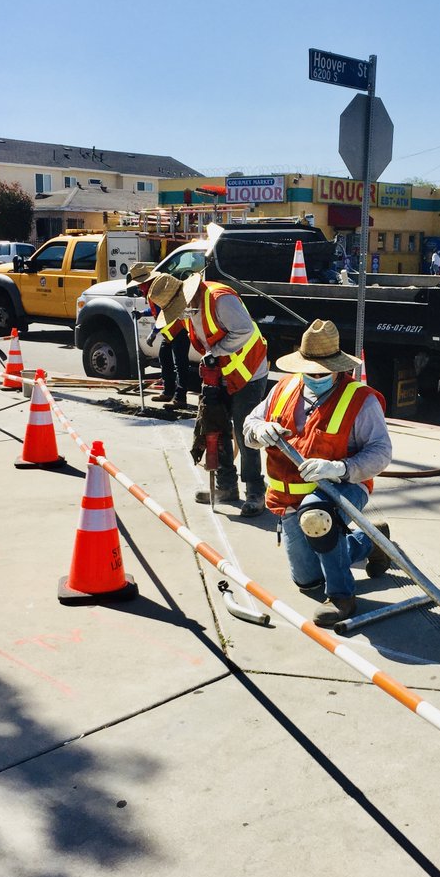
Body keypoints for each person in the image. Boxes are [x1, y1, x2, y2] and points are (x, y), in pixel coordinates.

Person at [243, 319, 393, 628]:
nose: (314, 378)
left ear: (338, 368)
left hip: (344, 486)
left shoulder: (360, 400)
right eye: (308, 371)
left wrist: (341, 469)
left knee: (316, 516)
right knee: (307, 579)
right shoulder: (284, 388)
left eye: (322, 373)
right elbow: (249, 425)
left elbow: (381, 452)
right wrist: (260, 429)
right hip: (289, 497)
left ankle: (341, 596)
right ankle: (369, 540)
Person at [158, 269, 268, 517]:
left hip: (249, 373)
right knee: (216, 428)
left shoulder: (220, 299)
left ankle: (255, 492)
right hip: (222, 374)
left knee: (244, 432)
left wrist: (214, 353)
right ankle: (226, 487)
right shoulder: (189, 310)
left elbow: (244, 331)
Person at [147, 273, 191, 410]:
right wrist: (142, 313)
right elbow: (154, 311)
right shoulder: (152, 294)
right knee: (164, 359)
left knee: (180, 365)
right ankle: (168, 392)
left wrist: (154, 333)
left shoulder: (160, 293)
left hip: (179, 331)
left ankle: (180, 398)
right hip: (169, 334)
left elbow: (162, 314)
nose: (140, 289)